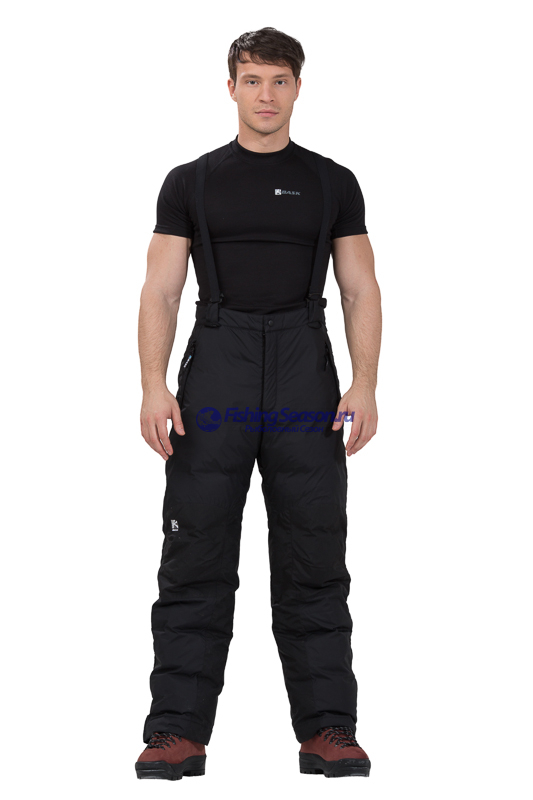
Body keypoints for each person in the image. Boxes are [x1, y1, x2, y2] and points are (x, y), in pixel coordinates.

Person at [135, 26, 381, 781]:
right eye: (252, 80)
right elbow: (162, 289)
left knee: (313, 552)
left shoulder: (333, 182)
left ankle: (328, 730)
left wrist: (365, 383)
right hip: (218, 370)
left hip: (306, 371)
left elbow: (359, 288)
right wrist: (153, 385)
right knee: (195, 551)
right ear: (231, 88)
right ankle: (176, 732)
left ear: (298, 88)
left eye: (279, 80)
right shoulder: (191, 182)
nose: (265, 95)